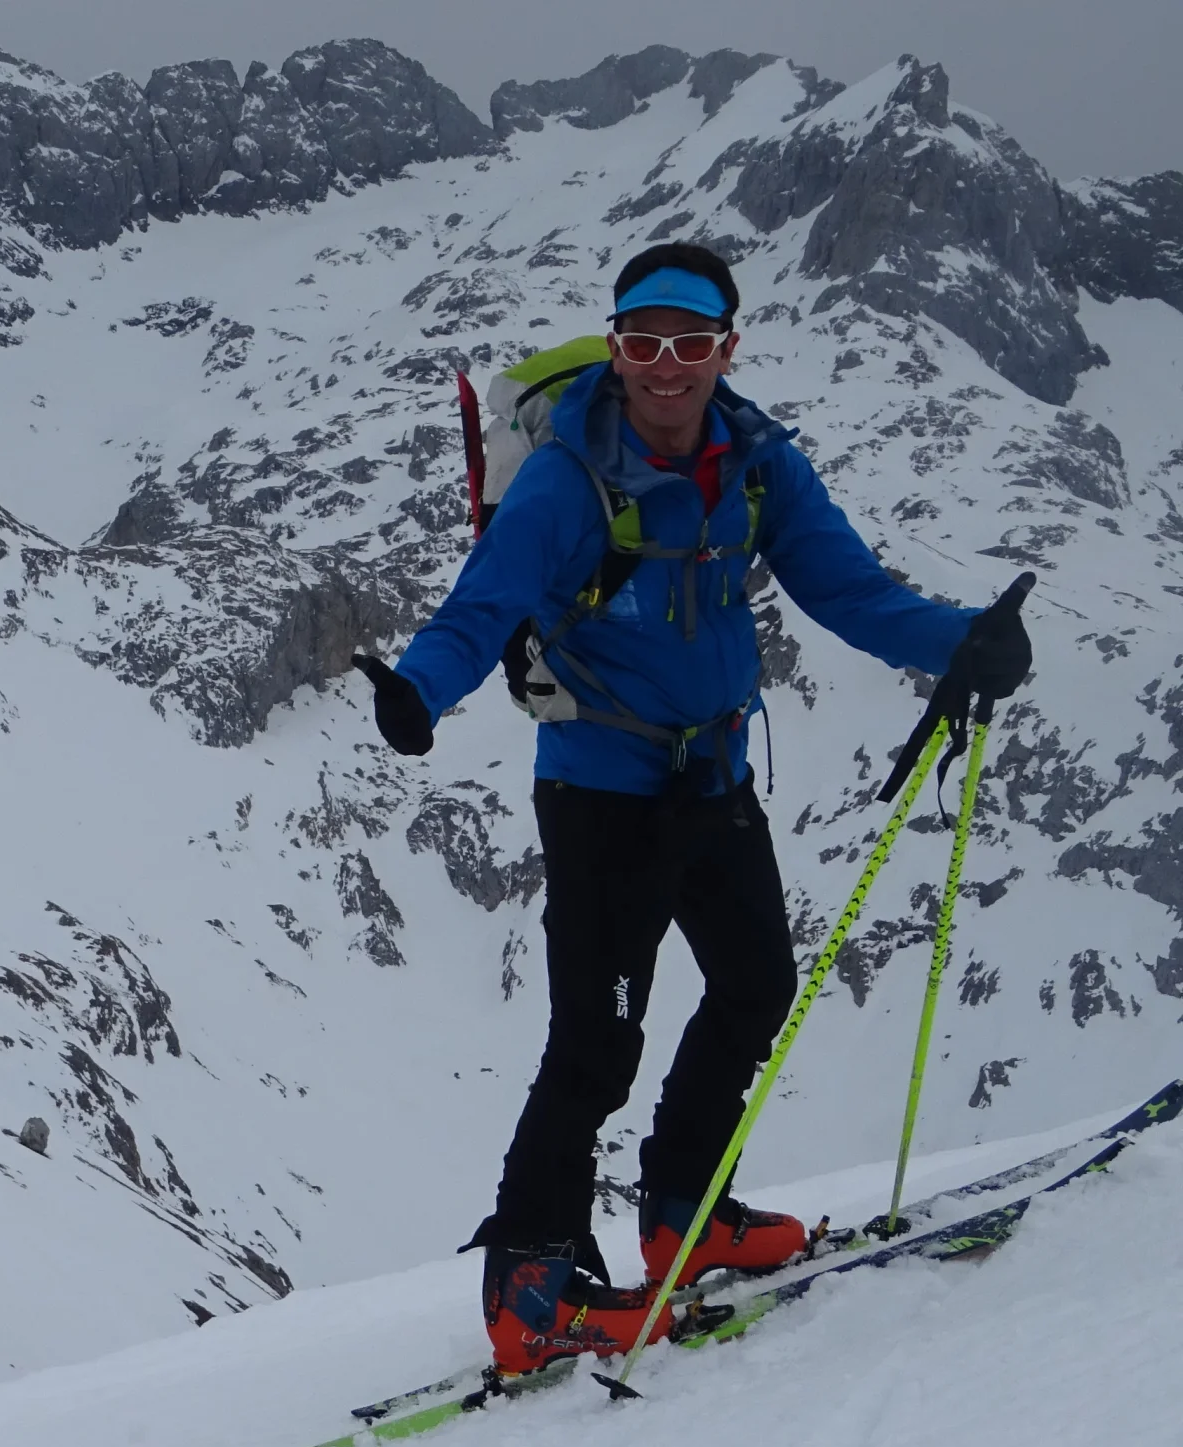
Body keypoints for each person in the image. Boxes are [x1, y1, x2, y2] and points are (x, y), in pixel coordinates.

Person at [354, 244, 1031, 1377]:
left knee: (756, 984)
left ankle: (686, 1209)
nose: (664, 367)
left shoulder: (758, 466)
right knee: (595, 1043)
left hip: (714, 781)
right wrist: (421, 691)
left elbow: (848, 591)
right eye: (642, 343)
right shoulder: (567, 478)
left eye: (689, 343)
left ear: (726, 348)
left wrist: (962, 642)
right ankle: (531, 1286)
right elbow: (489, 598)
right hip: (602, 793)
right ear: (616, 347)